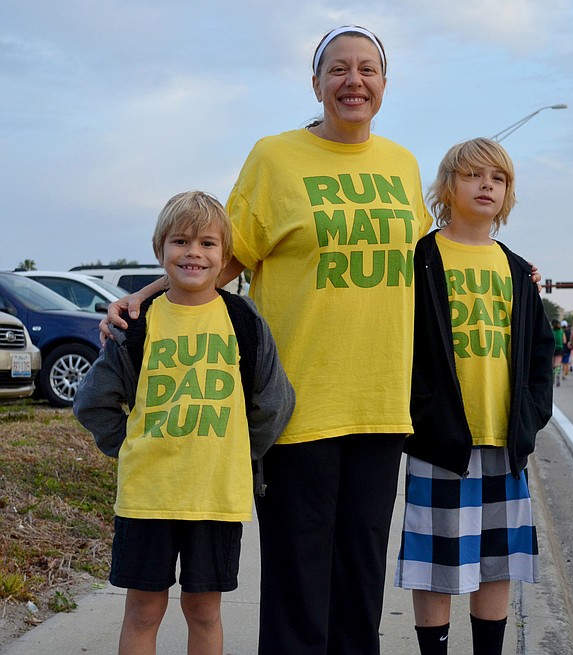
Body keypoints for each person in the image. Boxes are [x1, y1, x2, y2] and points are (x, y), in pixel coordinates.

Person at [101, 26, 434, 655]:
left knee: (362, 574)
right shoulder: (274, 157)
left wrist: (513, 269)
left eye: (367, 70)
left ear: (385, 86)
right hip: (298, 399)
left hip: (382, 400)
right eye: (338, 70)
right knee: (297, 573)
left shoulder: (402, 163)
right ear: (315, 83)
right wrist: (144, 298)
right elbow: (222, 257)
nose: (353, 81)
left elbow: (426, 261)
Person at [73, 191, 294, 655]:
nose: (194, 252)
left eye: (208, 244)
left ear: (226, 256)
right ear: (160, 251)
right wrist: (129, 445)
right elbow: (92, 402)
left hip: (215, 496)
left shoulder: (243, 320)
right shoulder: (139, 322)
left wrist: (238, 452)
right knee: (143, 611)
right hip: (147, 497)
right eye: (180, 241)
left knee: (204, 612)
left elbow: (275, 403)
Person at [395, 137, 553, 655]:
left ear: (507, 195)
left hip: (503, 439)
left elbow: (538, 354)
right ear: (447, 187)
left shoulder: (516, 269)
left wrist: (530, 418)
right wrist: (420, 415)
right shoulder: (420, 259)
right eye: (473, 176)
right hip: (442, 440)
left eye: (498, 178)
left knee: (497, 561)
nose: (486, 185)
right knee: (435, 564)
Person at [551, 318, 566, 386]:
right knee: (558, 364)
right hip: (560, 348)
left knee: (552, 364)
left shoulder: (551, 331)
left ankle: (553, 376)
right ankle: (558, 376)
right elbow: (564, 341)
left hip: (552, 348)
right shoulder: (561, 331)